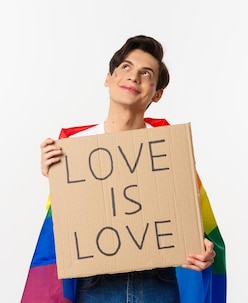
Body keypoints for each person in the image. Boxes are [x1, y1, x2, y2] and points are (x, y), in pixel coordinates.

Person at [21, 35, 226, 303]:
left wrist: (204, 251)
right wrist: (55, 178)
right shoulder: (72, 148)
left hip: (160, 285)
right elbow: (62, 231)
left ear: (158, 93)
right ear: (109, 78)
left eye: (146, 73)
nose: (134, 77)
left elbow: (191, 225)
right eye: (126, 68)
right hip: (94, 287)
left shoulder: (170, 149)